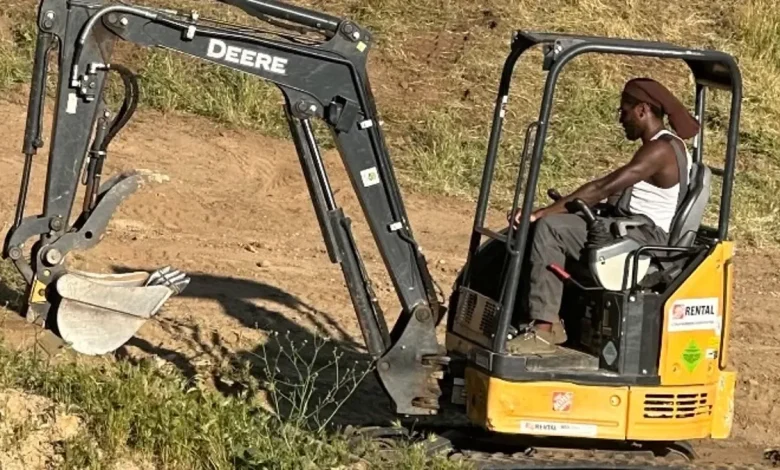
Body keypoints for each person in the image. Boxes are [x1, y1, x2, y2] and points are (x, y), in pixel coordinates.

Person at [505, 77, 699, 354]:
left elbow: (603, 187)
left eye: (624, 111)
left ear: (642, 110)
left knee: (551, 228)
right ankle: (555, 319)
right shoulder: (662, 145)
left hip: (642, 239)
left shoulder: (661, 149)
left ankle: (543, 331)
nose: (621, 119)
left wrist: (539, 214)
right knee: (561, 222)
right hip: (628, 228)